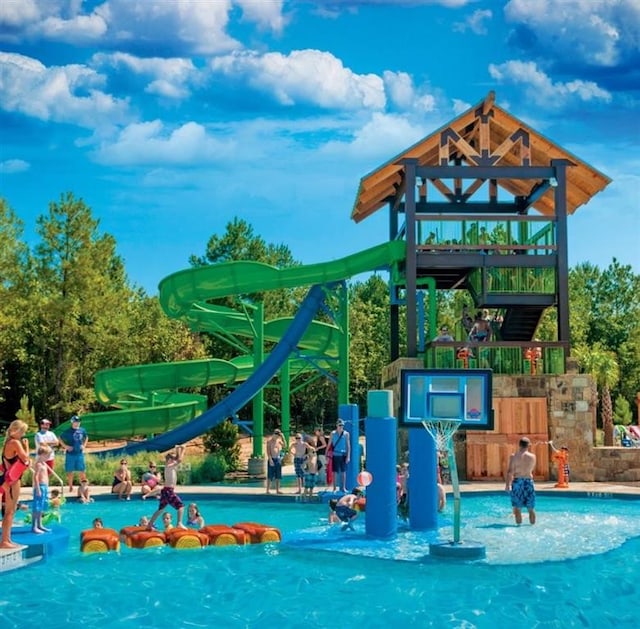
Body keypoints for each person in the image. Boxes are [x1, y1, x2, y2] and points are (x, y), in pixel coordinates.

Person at [1, 420, 31, 549]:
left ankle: (7, 539)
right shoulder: (15, 442)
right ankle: (5, 541)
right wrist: (27, 447)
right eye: (22, 431)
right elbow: (26, 459)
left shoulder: (7, 443)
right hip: (13, 481)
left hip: (8, 480)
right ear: (15, 431)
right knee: (10, 511)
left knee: (10, 511)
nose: (23, 434)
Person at [147, 445, 187, 531]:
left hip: (165, 491)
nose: (174, 461)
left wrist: (178, 449)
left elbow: (177, 458)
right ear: (169, 460)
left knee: (160, 509)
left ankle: (149, 525)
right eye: (172, 459)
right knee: (181, 506)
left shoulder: (170, 466)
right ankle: (179, 523)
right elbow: (179, 460)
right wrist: (183, 449)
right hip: (169, 491)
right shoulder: (169, 466)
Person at [505, 437, 537, 525]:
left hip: (517, 482)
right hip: (528, 482)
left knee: (517, 509)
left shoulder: (513, 456)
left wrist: (508, 485)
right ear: (528, 445)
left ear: (519, 445)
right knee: (531, 508)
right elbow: (531, 469)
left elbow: (510, 472)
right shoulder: (533, 457)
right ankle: (532, 527)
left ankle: (518, 526)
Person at [59, 415, 88, 492]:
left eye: (78, 422)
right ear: (72, 422)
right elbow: (60, 438)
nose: (77, 423)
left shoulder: (82, 430)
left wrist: (84, 445)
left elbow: (86, 437)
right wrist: (65, 446)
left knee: (82, 470)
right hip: (70, 454)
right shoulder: (68, 431)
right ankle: (70, 486)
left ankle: (83, 486)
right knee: (70, 471)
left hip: (79, 454)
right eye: (75, 422)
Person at [32, 444, 54, 533]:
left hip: (44, 487)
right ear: (42, 455)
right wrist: (37, 489)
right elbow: (35, 477)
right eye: (47, 455)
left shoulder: (44, 464)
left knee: (41, 507)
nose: (48, 457)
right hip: (39, 487)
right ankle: (34, 526)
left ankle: (40, 525)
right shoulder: (38, 464)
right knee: (37, 507)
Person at [329, 419, 350, 493]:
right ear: (337, 425)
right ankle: (334, 488)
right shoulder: (333, 433)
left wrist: (348, 456)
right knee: (335, 472)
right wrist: (326, 452)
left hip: (343, 454)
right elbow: (329, 444)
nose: (341, 427)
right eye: (340, 425)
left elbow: (348, 445)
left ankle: (343, 488)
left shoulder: (346, 434)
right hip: (335, 454)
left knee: (343, 472)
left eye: (342, 425)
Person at [266, 429, 285, 495]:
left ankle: (277, 490)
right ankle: (267, 490)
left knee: (278, 476)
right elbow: (268, 452)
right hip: (272, 459)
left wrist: (283, 437)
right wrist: (270, 460)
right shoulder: (269, 441)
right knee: (270, 476)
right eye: (277, 435)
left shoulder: (279, 440)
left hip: (278, 459)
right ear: (274, 434)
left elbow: (285, 446)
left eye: (279, 435)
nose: (277, 437)